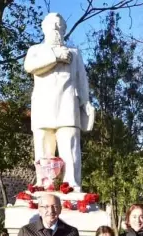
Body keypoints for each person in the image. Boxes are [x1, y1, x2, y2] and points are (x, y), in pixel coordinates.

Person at [24, 13, 95, 192]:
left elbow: (82, 80)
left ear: (64, 29)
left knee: (70, 147)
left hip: (67, 105)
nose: (56, 28)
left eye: (59, 25)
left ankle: (71, 185)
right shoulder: (36, 50)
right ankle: (44, 183)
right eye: (52, 25)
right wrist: (55, 57)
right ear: (44, 28)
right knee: (43, 149)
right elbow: (30, 67)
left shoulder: (75, 53)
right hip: (43, 106)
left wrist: (86, 102)